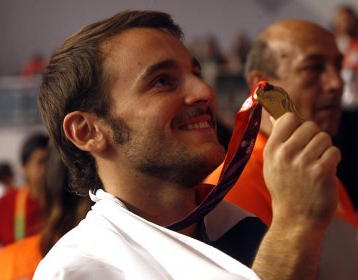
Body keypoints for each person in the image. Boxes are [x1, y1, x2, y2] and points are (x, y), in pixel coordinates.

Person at [34, 11, 341, 279]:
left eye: (196, 73)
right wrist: (294, 227)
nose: (205, 91)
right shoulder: (81, 269)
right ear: (87, 131)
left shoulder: (245, 227)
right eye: (162, 81)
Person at [210, 19, 358, 279]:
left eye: (337, 65)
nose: (336, 83)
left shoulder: (315, 166)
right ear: (262, 85)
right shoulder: (234, 186)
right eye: (313, 68)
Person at [0, 146, 93, 279]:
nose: (42, 170)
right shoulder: (115, 251)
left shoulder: (8, 263)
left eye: (47, 163)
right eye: (40, 162)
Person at [0, 132, 49, 249]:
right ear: (24, 168)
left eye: (51, 162)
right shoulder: (5, 204)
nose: (47, 168)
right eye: (41, 162)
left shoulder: (73, 203)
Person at [332, 5, 358, 210]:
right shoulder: (330, 45)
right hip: (336, 110)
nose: (345, 23)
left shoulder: (356, 45)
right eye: (341, 18)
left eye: (348, 18)